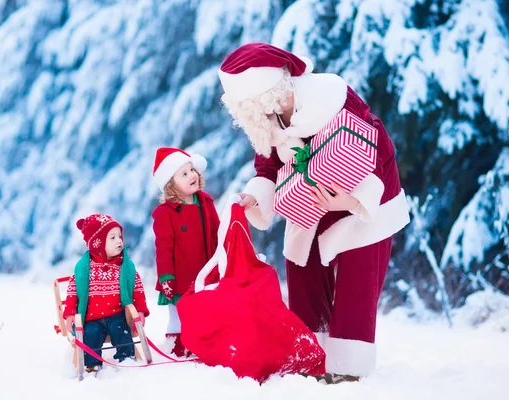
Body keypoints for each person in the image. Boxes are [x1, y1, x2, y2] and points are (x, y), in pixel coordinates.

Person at [217, 43, 410, 381]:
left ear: (269, 90)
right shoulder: (269, 118)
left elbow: (380, 147)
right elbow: (267, 167)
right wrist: (255, 197)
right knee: (302, 275)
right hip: (310, 209)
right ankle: (312, 360)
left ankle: (347, 371)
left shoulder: (332, 97)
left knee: (356, 288)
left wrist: (351, 201)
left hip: (362, 206)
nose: (250, 114)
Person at [151, 147, 220, 357]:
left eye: (192, 170)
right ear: (171, 185)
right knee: (178, 311)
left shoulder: (205, 202)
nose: (192, 175)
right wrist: (166, 276)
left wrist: (221, 260)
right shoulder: (165, 213)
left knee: (204, 310)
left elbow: (217, 231)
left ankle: (203, 343)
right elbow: (163, 248)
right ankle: (176, 344)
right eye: (184, 174)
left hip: (204, 269)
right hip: (179, 274)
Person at [63, 213, 150, 373]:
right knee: (90, 335)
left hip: (117, 315)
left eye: (119, 236)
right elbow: (72, 292)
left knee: (122, 332)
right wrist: (70, 314)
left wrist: (140, 311)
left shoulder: (125, 266)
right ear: (97, 243)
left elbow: (137, 289)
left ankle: (127, 360)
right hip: (91, 318)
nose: (119, 241)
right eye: (112, 237)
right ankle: (91, 364)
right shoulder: (84, 269)